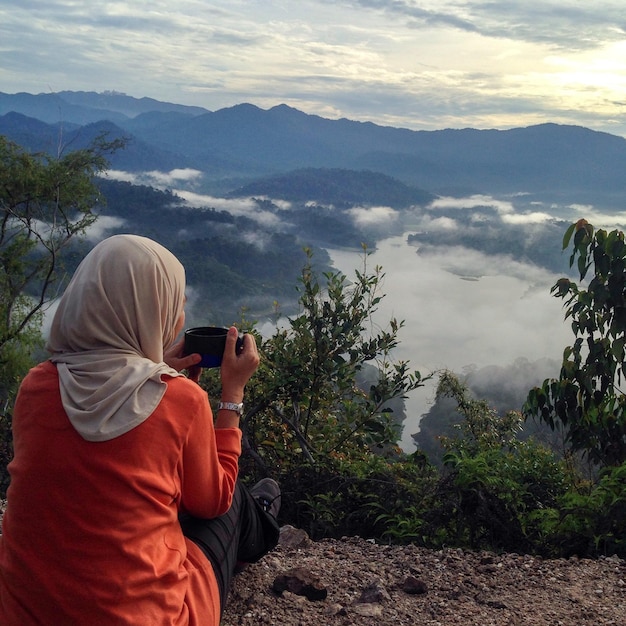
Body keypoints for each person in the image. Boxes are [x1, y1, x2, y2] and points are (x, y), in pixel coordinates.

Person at [0, 234, 280, 625]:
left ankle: (263, 510)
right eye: (176, 305)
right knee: (231, 500)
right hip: (144, 616)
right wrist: (232, 395)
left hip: (26, 613)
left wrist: (151, 367)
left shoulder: (36, 387)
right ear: (152, 311)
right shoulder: (181, 401)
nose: (179, 318)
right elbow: (211, 501)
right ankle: (265, 520)